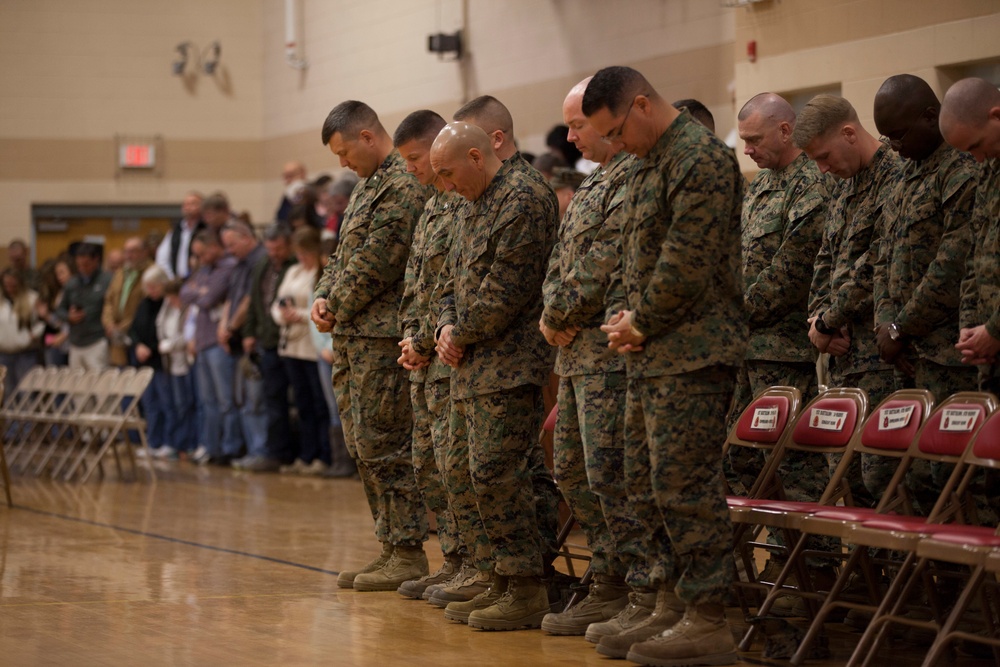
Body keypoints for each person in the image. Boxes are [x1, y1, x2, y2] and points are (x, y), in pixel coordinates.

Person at [582, 65, 745, 665]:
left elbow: (686, 260)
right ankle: (670, 604)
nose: (617, 145)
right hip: (651, 352)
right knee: (642, 483)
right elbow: (638, 257)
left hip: (694, 351)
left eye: (618, 131)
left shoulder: (698, 158)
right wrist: (629, 318)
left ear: (643, 105)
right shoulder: (651, 162)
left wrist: (642, 320)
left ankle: (709, 616)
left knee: (684, 485)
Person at [430, 121, 558, 631]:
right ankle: (497, 577)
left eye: (448, 172)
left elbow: (507, 289)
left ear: (478, 156)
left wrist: (457, 332)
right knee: (466, 474)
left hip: (509, 363)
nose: (445, 185)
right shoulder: (472, 203)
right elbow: (448, 280)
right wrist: (443, 324)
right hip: (471, 362)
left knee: (497, 474)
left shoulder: (523, 198)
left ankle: (526, 585)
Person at [312, 100, 432, 591]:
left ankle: (407, 552)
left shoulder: (401, 188)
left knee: (385, 445)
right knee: (363, 446)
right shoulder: (366, 190)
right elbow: (343, 257)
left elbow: (377, 261)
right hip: (355, 338)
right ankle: (390, 547)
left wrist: (334, 302)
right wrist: (322, 294)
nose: (342, 164)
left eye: (344, 152)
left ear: (366, 136)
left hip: (382, 339)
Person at [537, 77, 640, 637]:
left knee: (609, 473)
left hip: (608, 356)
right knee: (573, 471)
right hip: (575, 356)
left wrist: (560, 313)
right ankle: (607, 578)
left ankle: (630, 585)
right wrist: (552, 311)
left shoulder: (633, 181)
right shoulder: (593, 185)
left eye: (579, 124)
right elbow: (561, 260)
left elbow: (603, 261)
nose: (572, 135)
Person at [729, 92, 833, 596]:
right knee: (745, 463)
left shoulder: (811, 185)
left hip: (783, 353)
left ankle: (813, 571)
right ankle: (761, 566)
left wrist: (731, 315)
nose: (746, 148)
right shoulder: (760, 188)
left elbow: (790, 272)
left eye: (753, 138)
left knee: (795, 467)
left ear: (786, 131)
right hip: (745, 351)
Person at [794, 94, 903, 501]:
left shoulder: (896, 175)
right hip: (842, 356)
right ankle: (863, 568)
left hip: (879, 358)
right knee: (846, 475)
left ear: (849, 133)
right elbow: (826, 257)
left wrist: (829, 319)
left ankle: (892, 567)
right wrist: (817, 320)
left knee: (883, 479)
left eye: (824, 156)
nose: (823, 168)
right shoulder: (843, 186)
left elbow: (879, 260)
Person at [392, 109, 466, 599]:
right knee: (432, 467)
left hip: (450, 355)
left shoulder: (461, 202)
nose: (413, 170)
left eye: (416, 159)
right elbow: (417, 284)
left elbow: (453, 283)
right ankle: (456, 560)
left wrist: (424, 341)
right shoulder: (433, 205)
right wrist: (411, 339)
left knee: (462, 467)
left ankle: (480, 566)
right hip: (424, 353)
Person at [940, 78, 1000, 390]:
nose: (976, 159)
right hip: (990, 354)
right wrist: (971, 327)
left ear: (997, 115)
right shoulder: (990, 169)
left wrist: (995, 330)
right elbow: (976, 258)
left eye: (976, 146)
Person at [272, 226, 331, 474]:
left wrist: (299, 315)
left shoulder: (321, 273)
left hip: (313, 345)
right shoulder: (293, 271)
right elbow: (276, 303)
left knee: (320, 404)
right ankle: (306, 455)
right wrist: (283, 316)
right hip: (291, 345)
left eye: (305, 253)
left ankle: (324, 456)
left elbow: (319, 308)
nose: (301, 258)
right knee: (302, 403)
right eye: (298, 253)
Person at [239, 222, 296, 473]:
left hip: (290, 340)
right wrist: (249, 332)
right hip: (267, 341)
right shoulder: (262, 265)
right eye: (270, 249)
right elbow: (254, 302)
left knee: (302, 400)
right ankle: (276, 453)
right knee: (272, 399)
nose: (274, 253)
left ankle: (305, 453)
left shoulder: (293, 265)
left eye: (279, 249)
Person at [180, 230, 239, 465]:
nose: (199, 259)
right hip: (202, 340)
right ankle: (210, 446)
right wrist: (198, 291)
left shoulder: (228, 266)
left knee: (226, 400)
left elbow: (209, 298)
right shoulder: (204, 270)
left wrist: (200, 292)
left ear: (215, 247)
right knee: (207, 402)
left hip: (217, 342)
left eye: (202, 254)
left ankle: (230, 447)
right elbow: (185, 292)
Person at [219, 219, 265, 469]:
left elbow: (248, 300)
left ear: (247, 238)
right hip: (235, 339)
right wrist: (223, 327)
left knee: (255, 400)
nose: (229, 251)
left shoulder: (259, 261)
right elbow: (230, 298)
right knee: (242, 399)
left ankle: (259, 450)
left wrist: (231, 328)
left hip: (252, 339)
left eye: (232, 245)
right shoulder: (238, 264)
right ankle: (250, 449)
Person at [129, 265, 171, 457]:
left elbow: (165, 332)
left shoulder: (167, 303)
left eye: (154, 286)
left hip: (160, 359)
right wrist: (138, 345)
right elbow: (134, 328)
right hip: (143, 360)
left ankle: (168, 442)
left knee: (166, 402)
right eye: (148, 287)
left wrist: (151, 348)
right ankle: (153, 442)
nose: (151, 291)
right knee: (150, 404)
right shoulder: (144, 303)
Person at [156, 279, 197, 457]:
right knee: (175, 405)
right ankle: (176, 443)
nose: (170, 302)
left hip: (187, 361)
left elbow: (189, 335)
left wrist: (171, 345)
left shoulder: (189, 308)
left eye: (173, 298)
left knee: (188, 404)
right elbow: (160, 326)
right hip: (171, 364)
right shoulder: (166, 308)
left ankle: (189, 444)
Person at [56, 243, 112, 371]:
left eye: (86, 264)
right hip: (75, 342)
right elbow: (60, 309)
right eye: (79, 265)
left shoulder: (107, 279)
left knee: (99, 386)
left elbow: (112, 308)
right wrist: (68, 316)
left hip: (97, 340)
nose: (82, 268)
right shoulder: (72, 282)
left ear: (96, 260)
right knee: (77, 387)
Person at [102, 237, 150, 367]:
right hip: (117, 337)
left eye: (133, 251)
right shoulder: (120, 273)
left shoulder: (150, 272)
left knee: (140, 380)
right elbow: (108, 301)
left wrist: (122, 327)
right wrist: (109, 324)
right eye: (126, 251)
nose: (128, 256)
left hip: (139, 336)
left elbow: (145, 306)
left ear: (144, 252)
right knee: (122, 378)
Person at [0, 268, 44, 397]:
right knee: (7, 392)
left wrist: (34, 335)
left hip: (26, 353)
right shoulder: (1, 301)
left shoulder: (32, 298)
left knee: (26, 393)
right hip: (4, 353)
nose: (10, 288)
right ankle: (10, 418)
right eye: (6, 285)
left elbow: (43, 321)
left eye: (13, 285)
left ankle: (27, 418)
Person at [155, 191, 205, 280]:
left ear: (202, 207)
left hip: (199, 279)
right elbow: (162, 257)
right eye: (185, 204)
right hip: (176, 280)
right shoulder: (176, 231)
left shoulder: (206, 229)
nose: (187, 207)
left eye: (193, 203)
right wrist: (171, 278)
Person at [36, 257, 74, 366]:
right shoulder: (61, 293)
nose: (59, 277)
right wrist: (46, 316)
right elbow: (60, 322)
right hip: (60, 345)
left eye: (62, 273)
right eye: (57, 274)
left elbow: (79, 319)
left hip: (75, 343)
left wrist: (65, 334)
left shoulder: (77, 291)